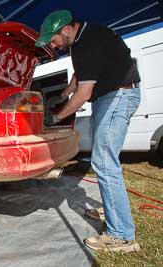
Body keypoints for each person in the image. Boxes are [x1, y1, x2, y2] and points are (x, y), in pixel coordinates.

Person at [35, 10, 141, 252]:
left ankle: (122, 235)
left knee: (103, 163)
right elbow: (79, 75)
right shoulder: (84, 39)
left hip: (117, 95)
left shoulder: (87, 42)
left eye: (53, 40)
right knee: (106, 160)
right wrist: (62, 94)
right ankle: (114, 211)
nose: (54, 46)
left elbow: (83, 93)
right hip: (114, 95)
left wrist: (57, 116)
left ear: (66, 29)